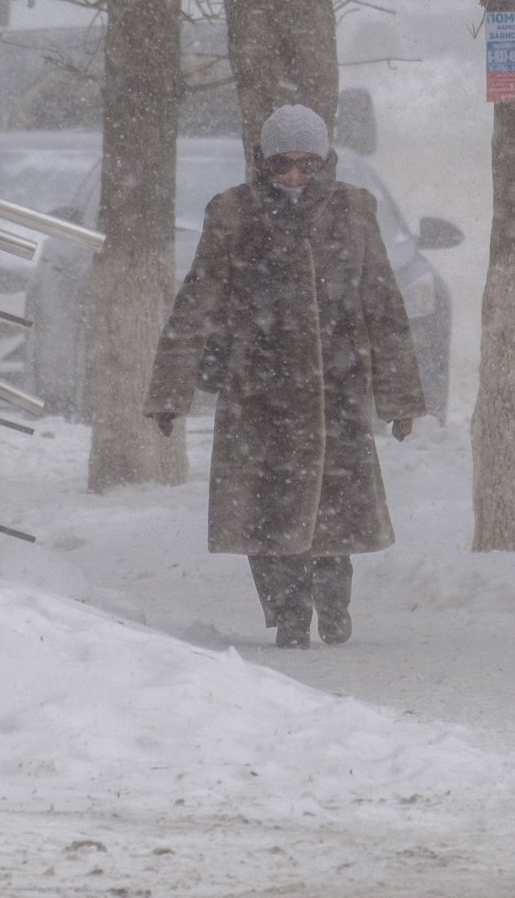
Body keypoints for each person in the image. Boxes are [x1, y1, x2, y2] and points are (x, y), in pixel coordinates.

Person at [145, 104, 425, 649]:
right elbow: (196, 302)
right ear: (263, 162)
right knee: (265, 516)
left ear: (325, 162)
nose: (296, 175)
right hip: (259, 390)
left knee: (333, 513)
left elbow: (384, 305)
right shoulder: (233, 213)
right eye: (283, 164)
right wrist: (169, 391)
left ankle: (334, 603)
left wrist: (400, 399)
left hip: (335, 388)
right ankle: (288, 614)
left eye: (308, 164)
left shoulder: (353, 210)